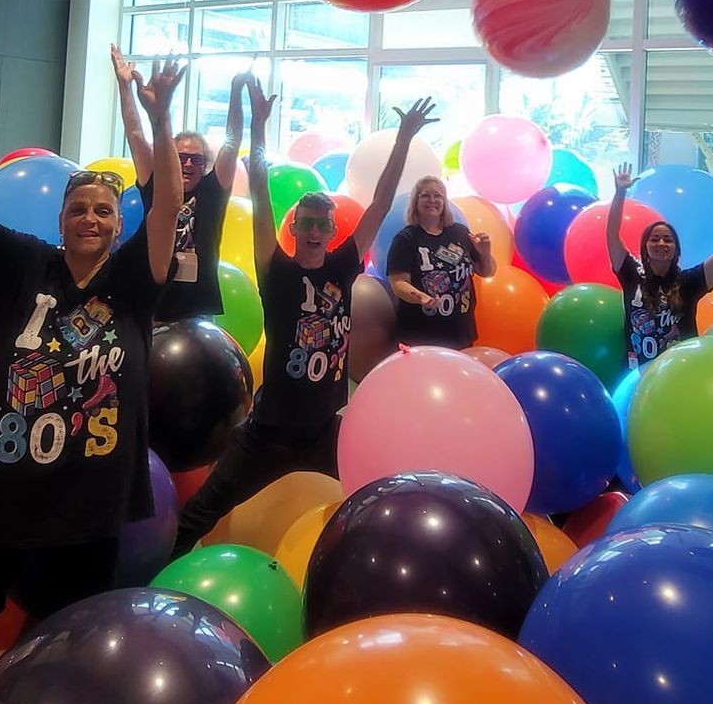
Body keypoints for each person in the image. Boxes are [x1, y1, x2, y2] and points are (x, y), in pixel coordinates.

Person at [0, 53, 184, 681]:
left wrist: (160, 118)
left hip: (85, 504)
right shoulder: (24, 264)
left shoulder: (133, 282)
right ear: (61, 220)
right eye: (79, 208)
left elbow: (168, 204)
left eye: (104, 212)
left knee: (67, 655)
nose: (91, 217)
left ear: (118, 227)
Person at [173, 80, 435, 553]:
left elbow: (379, 202)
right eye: (306, 223)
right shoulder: (277, 272)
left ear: (333, 230)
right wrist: (258, 123)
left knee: (369, 501)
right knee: (201, 513)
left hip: (323, 431)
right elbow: (257, 181)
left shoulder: (342, 265)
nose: (314, 230)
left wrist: (403, 139)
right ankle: (155, 583)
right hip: (270, 432)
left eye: (323, 224)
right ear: (293, 229)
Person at [112, 44, 241, 324]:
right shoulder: (156, 183)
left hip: (198, 308)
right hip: (155, 302)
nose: (188, 165)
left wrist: (235, 92)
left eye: (197, 159)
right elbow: (135, 134)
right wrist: (124, 86)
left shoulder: (213, 191)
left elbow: (232, 142)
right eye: (181, 157)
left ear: (206, 164)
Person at [605, 166, 713, 368]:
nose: (661, 243)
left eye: (668, 240)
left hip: (681, 369)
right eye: (655, 239)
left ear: (676, 250)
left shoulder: (689, 282)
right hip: (637, 373)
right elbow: (611, 235)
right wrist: (620, 194)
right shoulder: (631, 274)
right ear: (645, 248)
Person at [385, 175, 495, 348]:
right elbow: (398, 283)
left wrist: (485, 253)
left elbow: (488, 271)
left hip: (461, 332)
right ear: (416, 201)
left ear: (445, 202)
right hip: (421, 335)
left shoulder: (460, 232)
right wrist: (420, 297)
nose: (432, 200)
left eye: (438, 196)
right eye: (425, 195)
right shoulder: (406, 239)